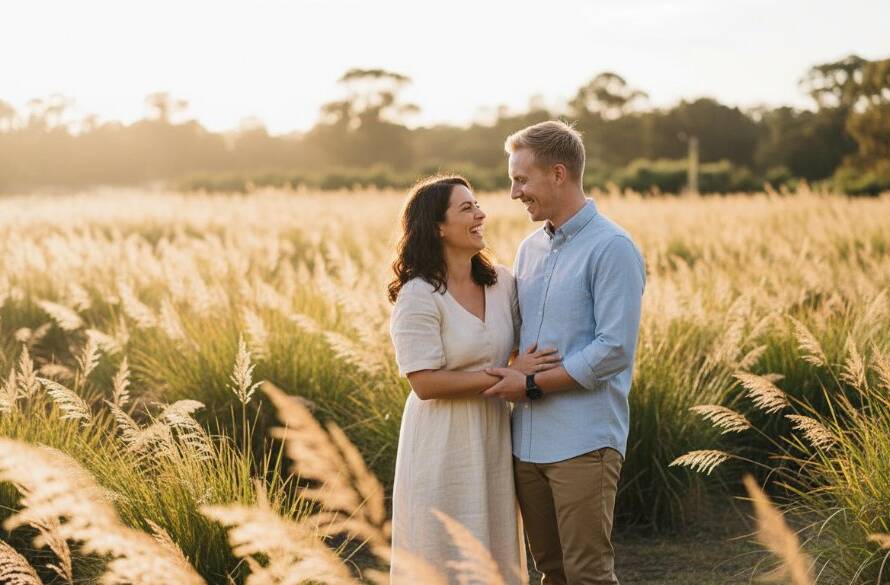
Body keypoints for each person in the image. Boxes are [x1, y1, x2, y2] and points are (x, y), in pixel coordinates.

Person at [484, 121, 646, 585]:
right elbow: (518, 333)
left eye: (521, 179)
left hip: (584, 443)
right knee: (551, 572)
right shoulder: (528, 249)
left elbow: (614, 349)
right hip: (526, 444)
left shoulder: (612, 247)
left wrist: (530, 384)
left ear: (558, 173)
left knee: (588, 574)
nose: (514, 193)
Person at [387, 175, 561, 585]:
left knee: (492, 548)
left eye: (478, 204)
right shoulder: (418, 295)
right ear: (437, 227)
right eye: (467, 208)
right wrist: (508, 374)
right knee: (441, 551)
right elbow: (424, 383)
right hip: (440, 440)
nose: (481, 213)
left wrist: (522, 370)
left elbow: (521, 348)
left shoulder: (501, 282)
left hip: (493, 434)